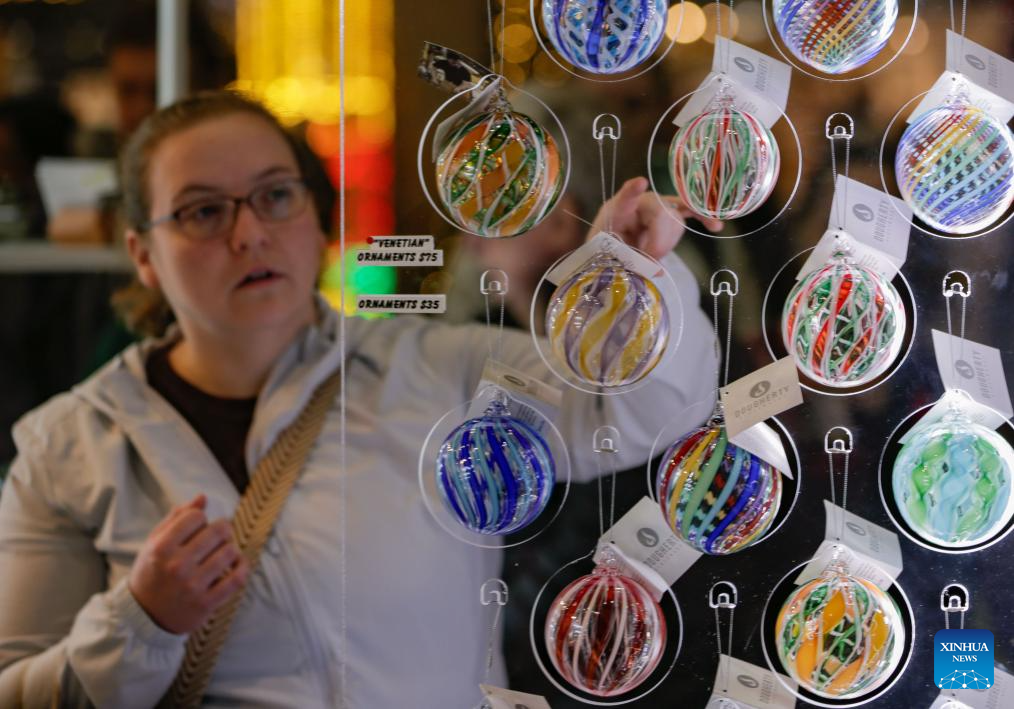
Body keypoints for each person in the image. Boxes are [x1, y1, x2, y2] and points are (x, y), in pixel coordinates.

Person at [0, 91, 718, 708]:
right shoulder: (69, 445)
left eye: (276, 196)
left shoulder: (438, 368)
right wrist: (141, 622)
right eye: (201, 211)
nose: (249, 233)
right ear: (142, 254)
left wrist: (630, 281)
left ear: (317, 221)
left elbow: (636, 414)